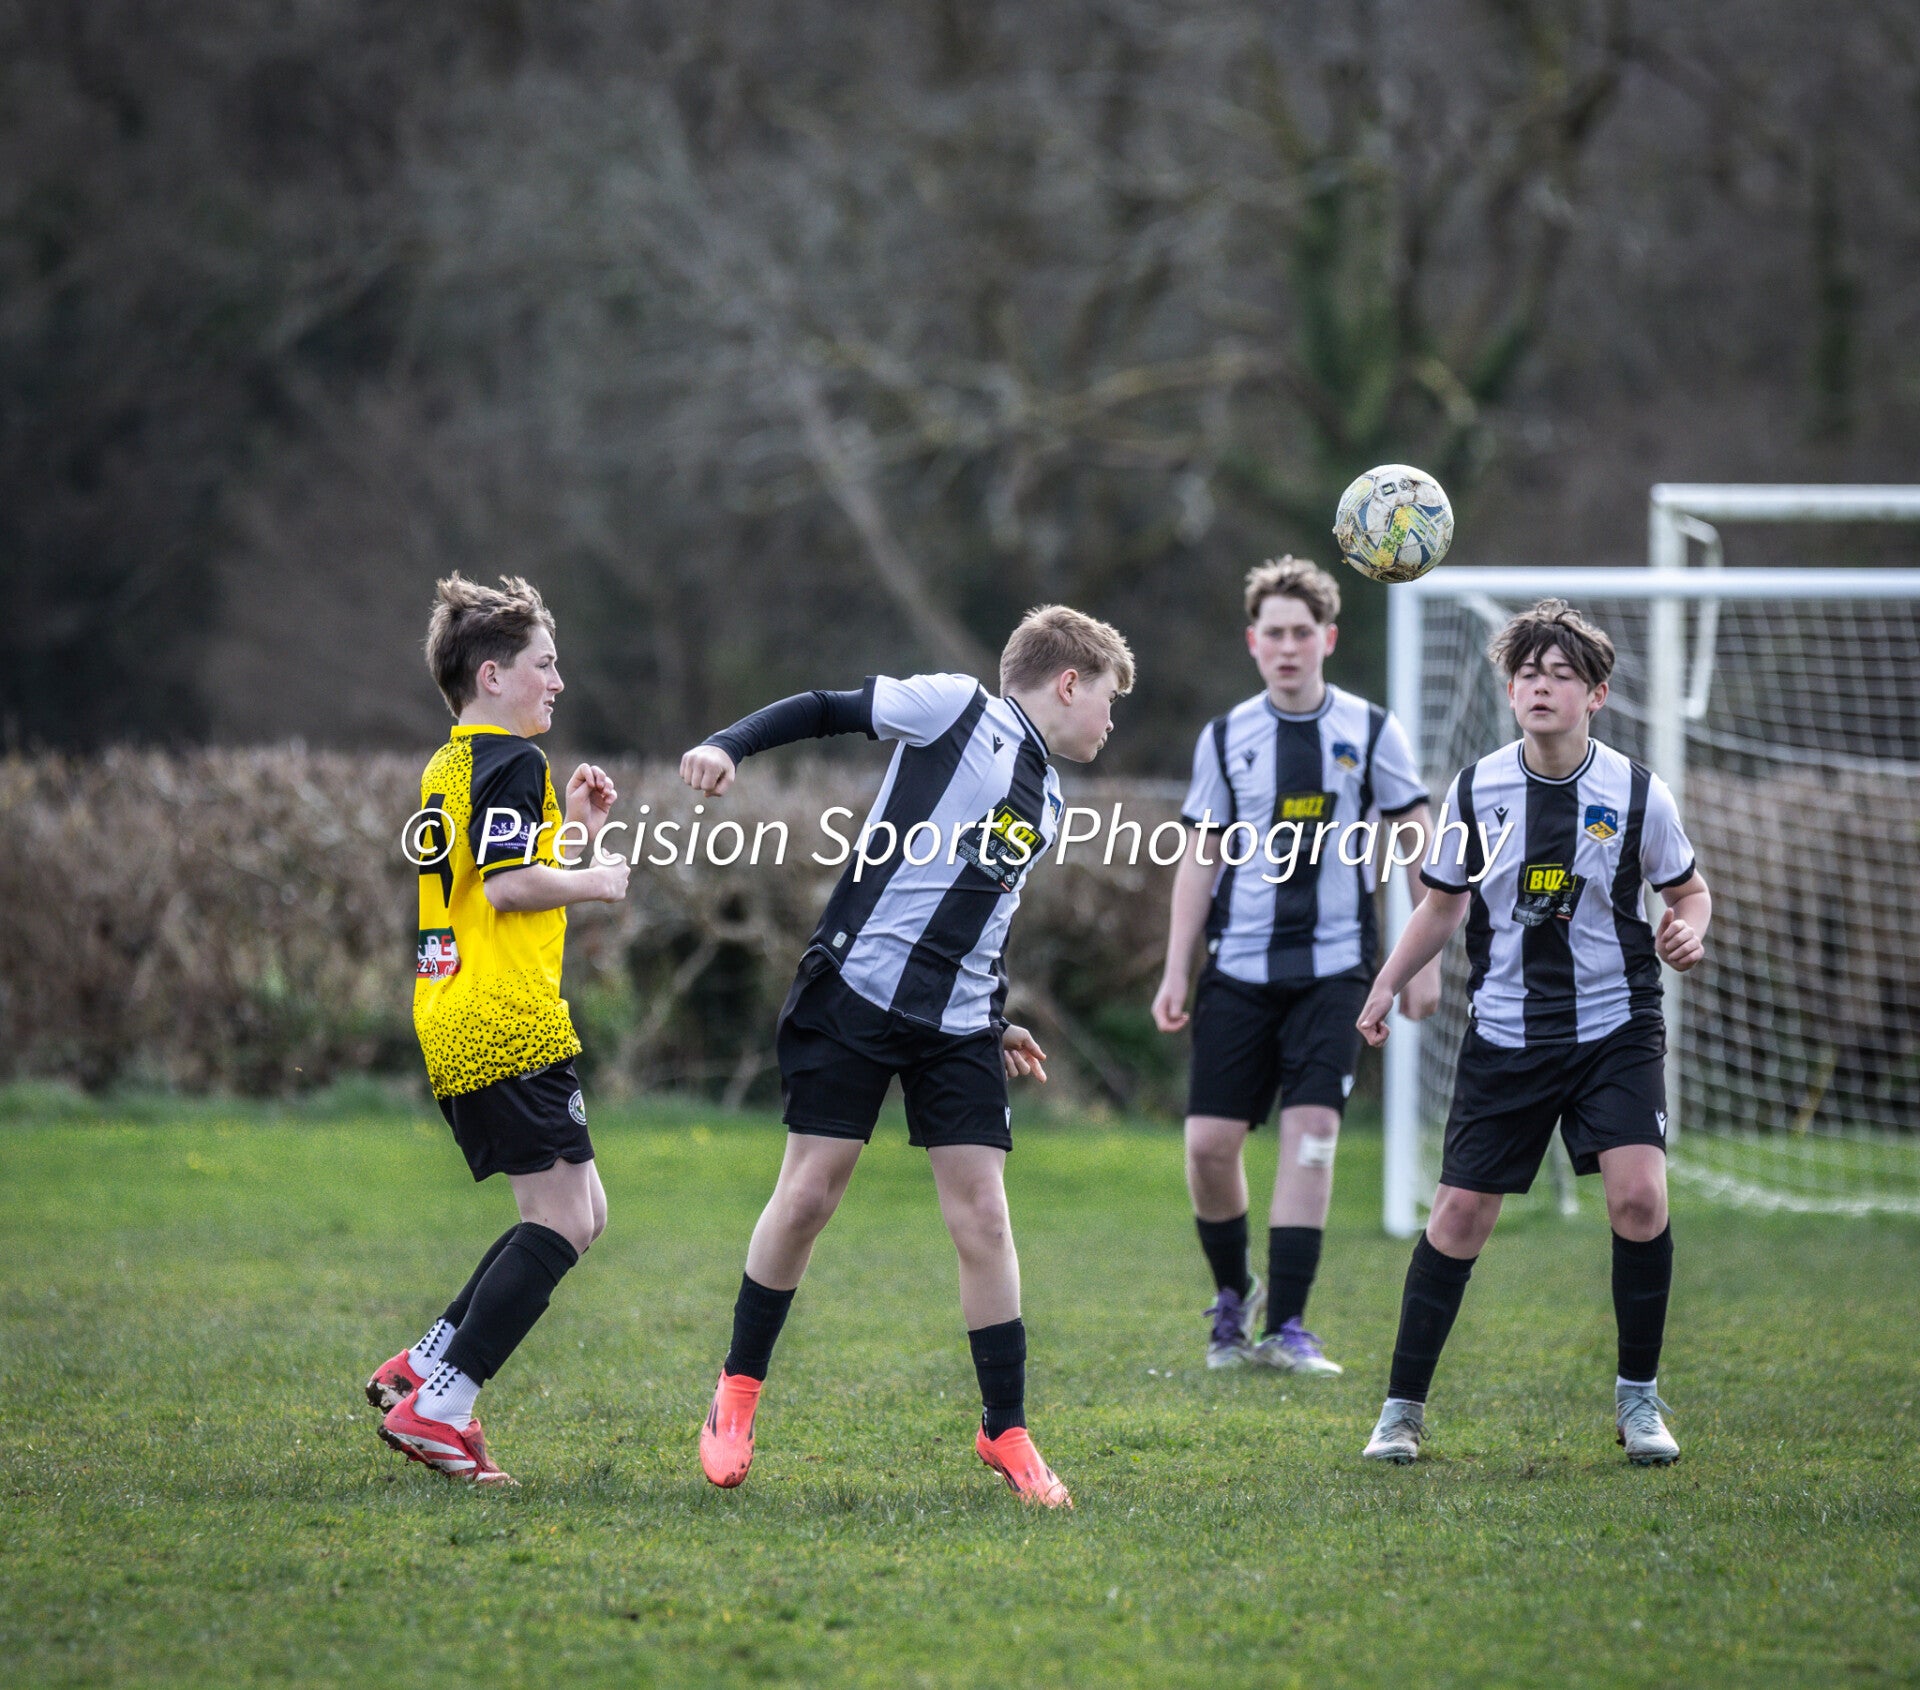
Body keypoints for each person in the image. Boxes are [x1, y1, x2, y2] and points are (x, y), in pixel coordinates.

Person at [678, 606, 1135, 1509]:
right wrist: (729, 744)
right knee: (809, 1194)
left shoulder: (1048, 797)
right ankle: (736, 1393)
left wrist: (996, 1018)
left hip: (960, 1023)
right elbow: (824, 707)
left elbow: (985, 916)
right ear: (1070, 682)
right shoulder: (959, 709)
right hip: (855, 992)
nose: (1112, 723)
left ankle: (1005, 1427)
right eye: (1110, 699)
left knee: (985, 1220)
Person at [1355, 598, 1710, 1467]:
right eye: (1527, 674)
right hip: (1508, 1033)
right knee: (1460, 1215)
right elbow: (1443, 904)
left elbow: (1687, 891)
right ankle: (1400, 1411)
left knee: (1639, 1197)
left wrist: (1690, 929)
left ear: (1596, 694)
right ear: (1509, 691)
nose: (1541, 687)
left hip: (1614, 1026)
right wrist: (1387, 983)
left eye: (1560, 675)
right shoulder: (1478, 788)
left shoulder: (1636, 792)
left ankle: (1639, 1402)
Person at [367, 574, 630, 1483]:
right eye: (545, 666)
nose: (558, 682)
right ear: (492, 675)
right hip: (504, 1022)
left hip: (455, 1009)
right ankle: (439, 1405)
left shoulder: (452, 762)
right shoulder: (515, 762)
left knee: (578, 1214)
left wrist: (581, 834)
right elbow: (512, 889)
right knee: (560, 1220)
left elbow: (497, 883)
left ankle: (429, 1362)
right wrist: (599, 878)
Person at [1151, 559, 1440, 1373]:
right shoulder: (1224, 737)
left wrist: (1421, 963)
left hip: (1338, 970)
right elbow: (1198, 859)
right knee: (1209, 1146)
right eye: (1272, 633)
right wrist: (1177, 970)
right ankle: (1233, 1301)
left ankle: (1291, 1327)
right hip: (1237, 971)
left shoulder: (1373, 732)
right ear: (1252, 643)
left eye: (1301, 633)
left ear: (1328, 639)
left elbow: (1420, 840)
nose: (1287, 647)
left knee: (1311, 1138)